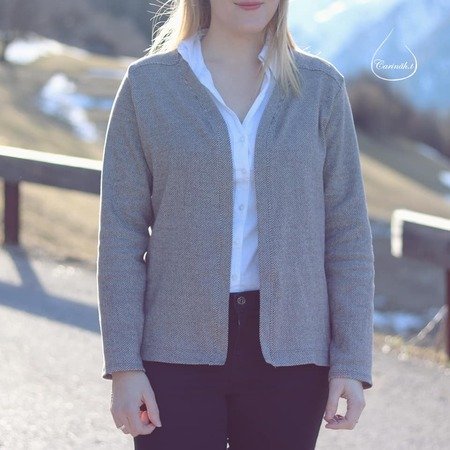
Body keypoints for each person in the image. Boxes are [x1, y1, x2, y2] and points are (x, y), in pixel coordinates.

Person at [96, 0, 375, 449]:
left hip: (293, 357)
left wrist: (350, 361)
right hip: (174, 351)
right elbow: (120, 239)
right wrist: (124, 365)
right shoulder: (147, 88)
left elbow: (347, 237)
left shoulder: (321, 89)